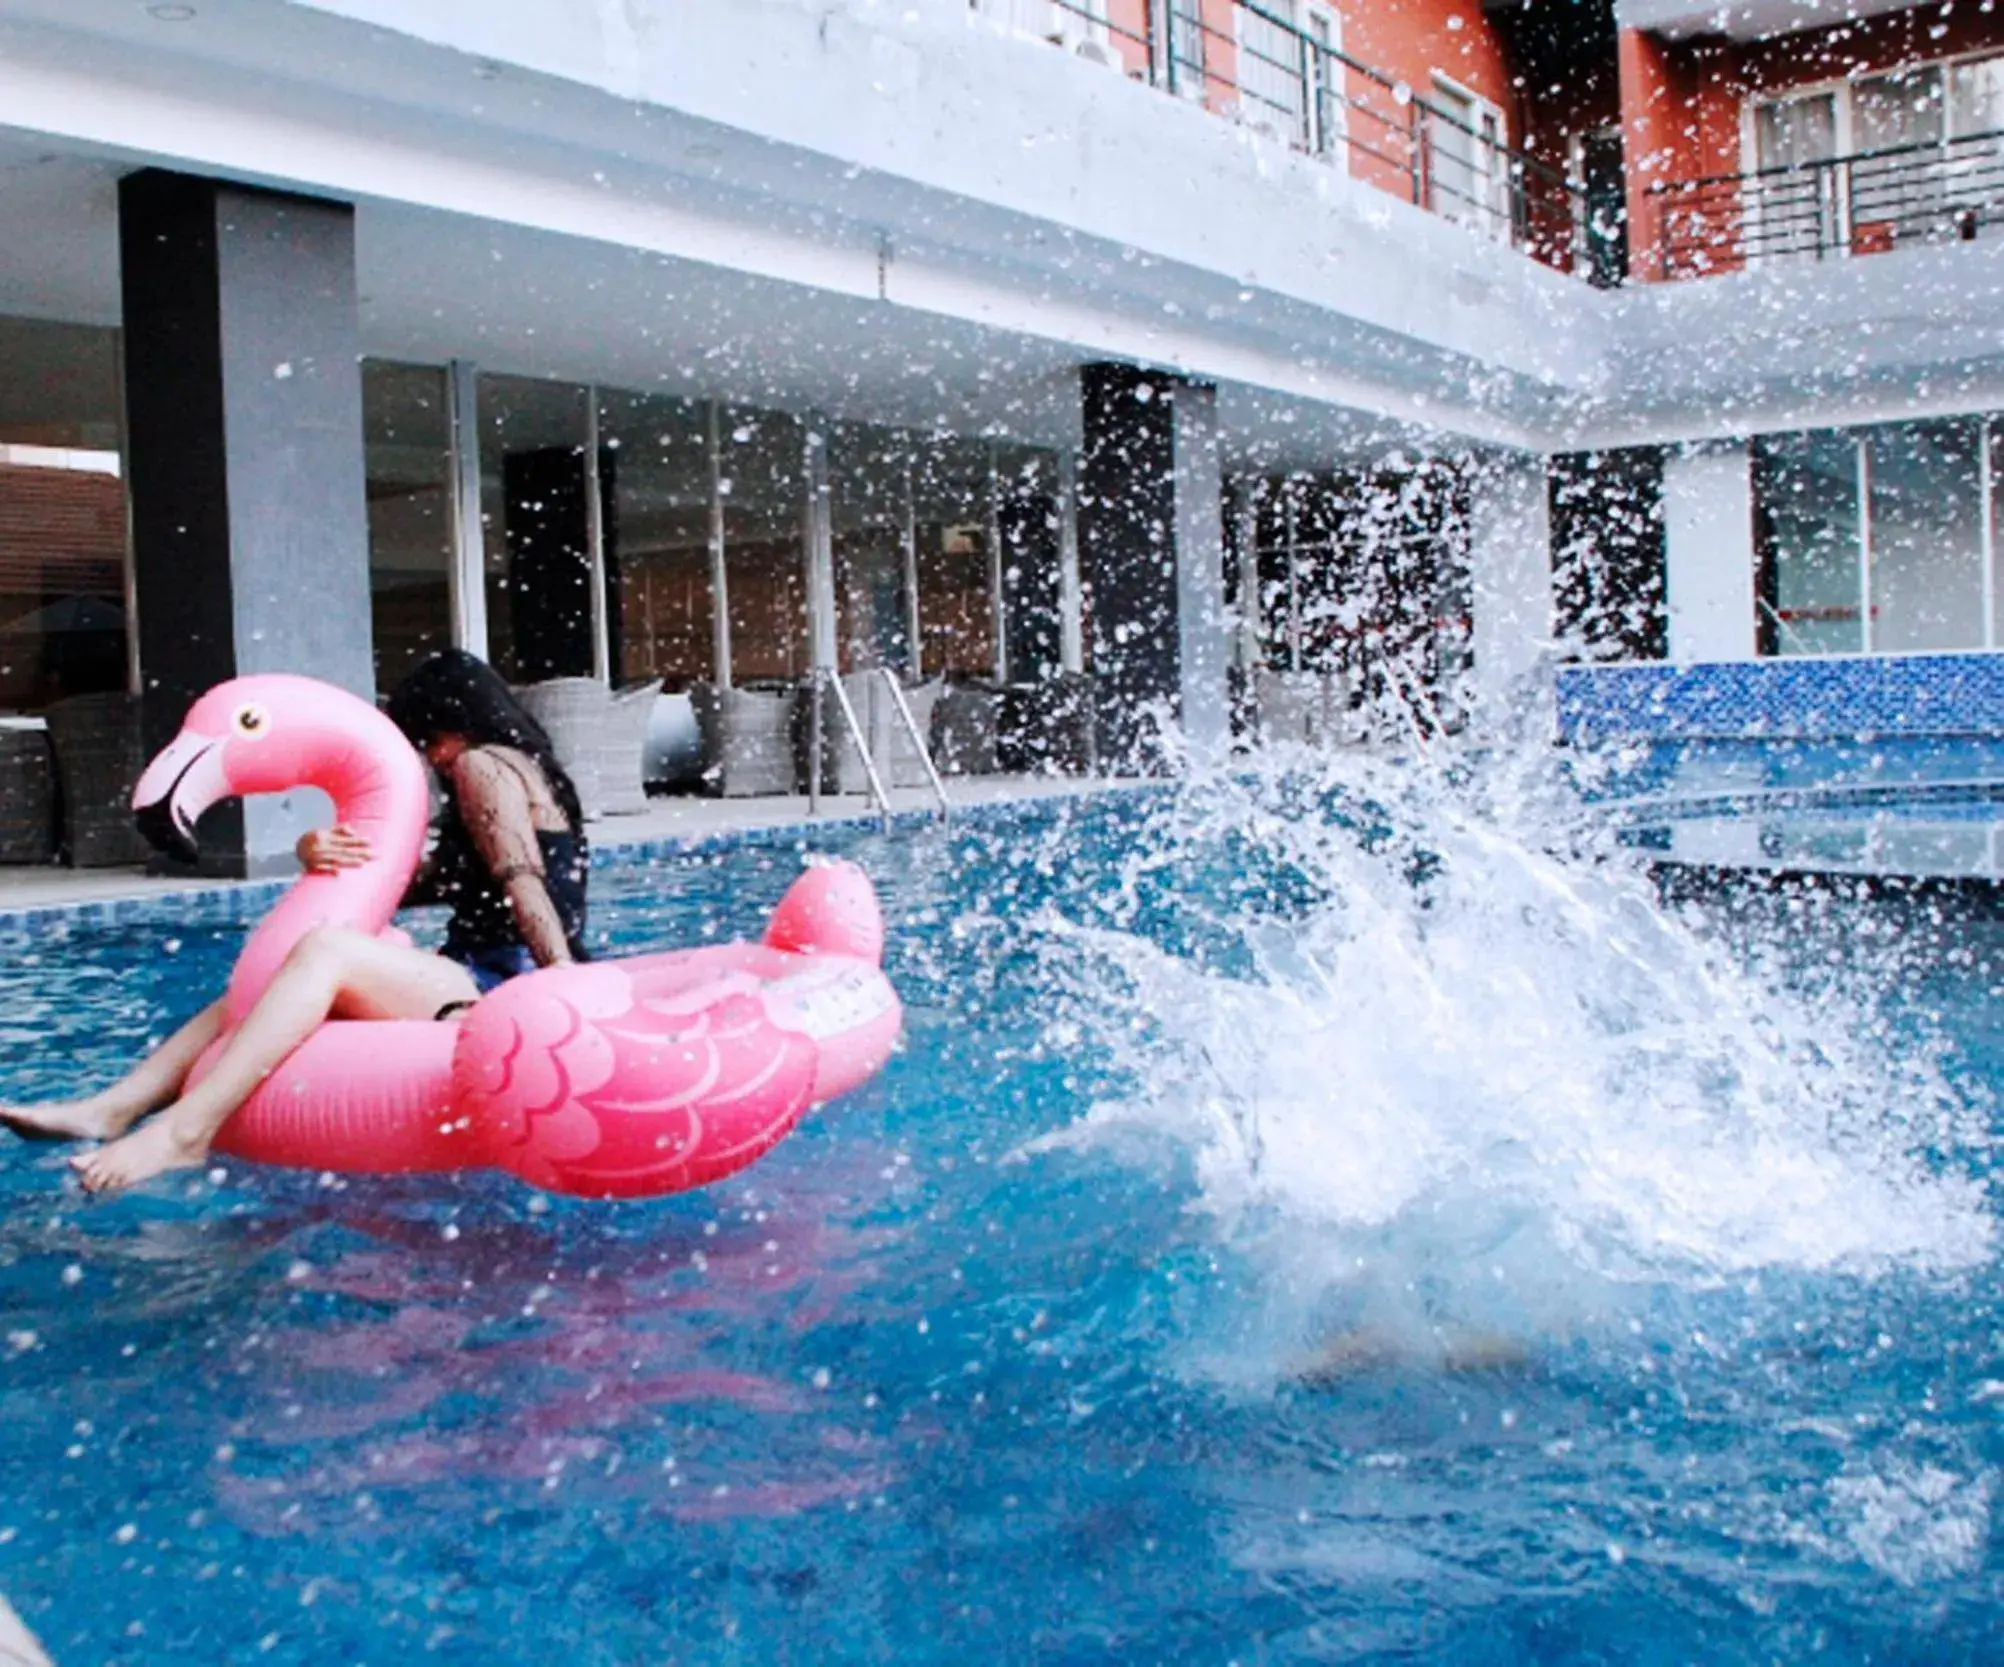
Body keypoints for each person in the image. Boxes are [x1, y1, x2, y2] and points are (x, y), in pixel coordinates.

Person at [0, 650, 589, 1195]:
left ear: (453, 723)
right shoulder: (528, 768)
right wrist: (320, 858)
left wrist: (560, 979)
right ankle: (115, 1106)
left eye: (429, 739)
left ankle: (185, 1131)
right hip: (474, 973)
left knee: (325, 951)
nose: (431, 757)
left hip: (497, 985)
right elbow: (431, 884)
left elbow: (521, 878)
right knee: (278, 977)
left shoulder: (482, 766)